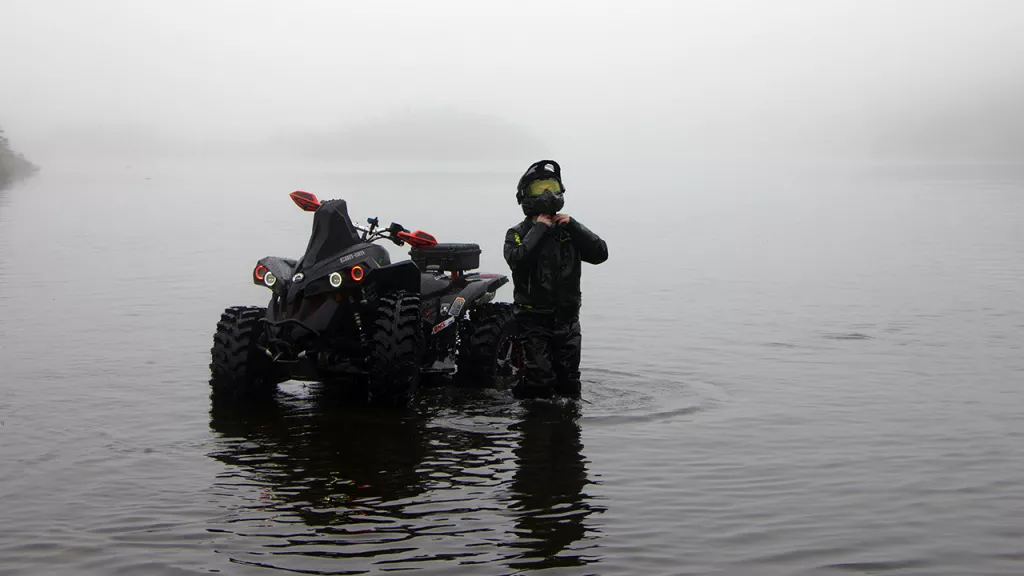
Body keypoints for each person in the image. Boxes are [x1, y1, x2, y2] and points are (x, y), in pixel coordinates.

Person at [503, 160, 608, 399]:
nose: (548, 194)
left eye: (552, 186)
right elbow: (517, 260)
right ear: (525, 196)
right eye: (540, 189)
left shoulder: (568, 230)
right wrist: (539, 229)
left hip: (567, 318)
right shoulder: (517, 233)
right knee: (540, 379)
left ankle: (567, 432)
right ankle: (530, 426)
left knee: (569, 383)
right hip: (533, 319)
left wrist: (575, 226)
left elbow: (600, 253)